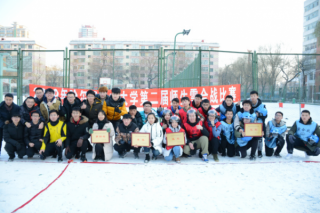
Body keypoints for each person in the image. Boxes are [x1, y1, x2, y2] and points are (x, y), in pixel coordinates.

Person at [249, 91, 268, 158]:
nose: (252, 97)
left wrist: (259, 114)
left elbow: (265, 116)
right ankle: (251, 150)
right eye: (251, 96)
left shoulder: (262, 105)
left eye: (254, 96)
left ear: (257, 96)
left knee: (259, 137)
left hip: (259, 123)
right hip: (250, 123)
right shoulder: (248, 103)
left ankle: (259, 151)